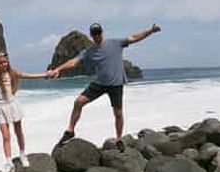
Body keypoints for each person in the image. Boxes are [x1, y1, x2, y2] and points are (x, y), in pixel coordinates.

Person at [48, 22, 161, 150]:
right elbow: (74, 62)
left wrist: (150, 31)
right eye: (94, 34)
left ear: (102, 32)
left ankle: (119, 139)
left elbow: (134, 38)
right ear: (91, 35)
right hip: (100, 83)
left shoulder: (115, 43)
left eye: (98, 33)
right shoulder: (89, 51)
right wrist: (58, 69)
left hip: (116, 85)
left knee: (118, 113)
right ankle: (70, 131)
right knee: (78, 102)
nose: (97, 36)